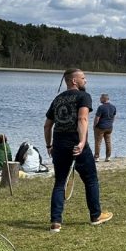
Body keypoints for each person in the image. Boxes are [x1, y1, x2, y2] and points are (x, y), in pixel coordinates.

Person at [44, 68, 113, 232]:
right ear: (74, 81)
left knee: (60, 183)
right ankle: (96, 216)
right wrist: (82, 142)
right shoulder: (83, 96)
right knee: (91, 180)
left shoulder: (57, 99)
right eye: (83, 77)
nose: (85, 80)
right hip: (76, 145)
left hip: (59, 145)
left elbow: (47, 125)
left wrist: (49, 146)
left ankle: (56, 222)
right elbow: (82, 118)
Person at [93, 93, 117, 161]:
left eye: (101, 98)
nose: (100, 99)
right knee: (108, 142)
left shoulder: (101, 107)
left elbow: (97, 118)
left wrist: (94, 126)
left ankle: (97, 157)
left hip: (100, 127)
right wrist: (110, 123)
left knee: (98, 142)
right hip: (109, 127)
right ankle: (108, 157)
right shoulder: (113, 107)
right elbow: (114, 117)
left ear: (104, 99)